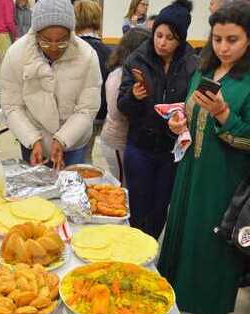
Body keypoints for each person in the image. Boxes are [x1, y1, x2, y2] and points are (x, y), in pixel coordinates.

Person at [158, 2, 250, 314]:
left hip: (224, 176)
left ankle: (207, 304)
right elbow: (189, 112)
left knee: (209, 239)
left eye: (232, 39)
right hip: (191, 166)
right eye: (217, 38)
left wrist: (224, 114)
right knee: (182, 226)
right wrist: (178, 121)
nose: (223, 47)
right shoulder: (205, 70)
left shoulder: (248, 81)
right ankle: (177, 295)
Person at [117, 0, 198, 239]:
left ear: (180, 40)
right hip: (140, 146)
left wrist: (182, 118)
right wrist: (133, 96)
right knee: (137, 206)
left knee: (160, 207)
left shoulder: (192, 63)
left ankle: (150, 251)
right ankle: (134, 249)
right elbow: (123, 106)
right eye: (158, 35)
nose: (162, 42)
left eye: (170, 38)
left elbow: (194, 105)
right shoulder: (137, 59)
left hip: (171, 151)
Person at [0, 0, 102, 170]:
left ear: (71, 34)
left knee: (71, 189)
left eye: (62, 41)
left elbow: (87, 109)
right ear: (36, 34)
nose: (54, 47)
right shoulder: (17, 54)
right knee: (35, 190)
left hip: (73, 141)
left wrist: (62, 139)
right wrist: (33, 140)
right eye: (46, 41)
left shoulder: (87, 56)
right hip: (32, 138)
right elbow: (12, 106)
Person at [100, 28, 150, 184]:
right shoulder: (118, 75)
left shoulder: (137, 73)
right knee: (123, 186)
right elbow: (117, 112)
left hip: (129, 142)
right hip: (117, 142)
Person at [74, 0, 111, 163]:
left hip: (80, 114)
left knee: (79, 160)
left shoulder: (74, 49)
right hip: (102, 114)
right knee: (86, 156)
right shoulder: (108, 51)